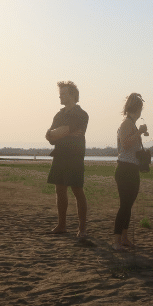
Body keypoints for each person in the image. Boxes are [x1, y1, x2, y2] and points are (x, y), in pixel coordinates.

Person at [45, 81, 89, 238]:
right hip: (59, 156)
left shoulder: (81, 114)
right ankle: (61, 225)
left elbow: (64, 130)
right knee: (60, 190)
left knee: (77, 190)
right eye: (60, 93)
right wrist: (59, 133)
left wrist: (59, 133)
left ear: (72, 95)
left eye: (63, 94)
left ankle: (82, 228)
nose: (60, 96)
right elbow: (49, 136)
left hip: (75, 157)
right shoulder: (59, 114)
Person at [112, 93, 148, 252]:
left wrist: (139, 133)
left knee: (128, 205)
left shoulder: (131, 124)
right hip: (125, 168)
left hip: (131, 168)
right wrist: (139, 132)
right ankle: (116, 240)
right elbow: (126, 144)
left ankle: (124, 238)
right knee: (124, 205)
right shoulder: (127, 123)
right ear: (137, 109)